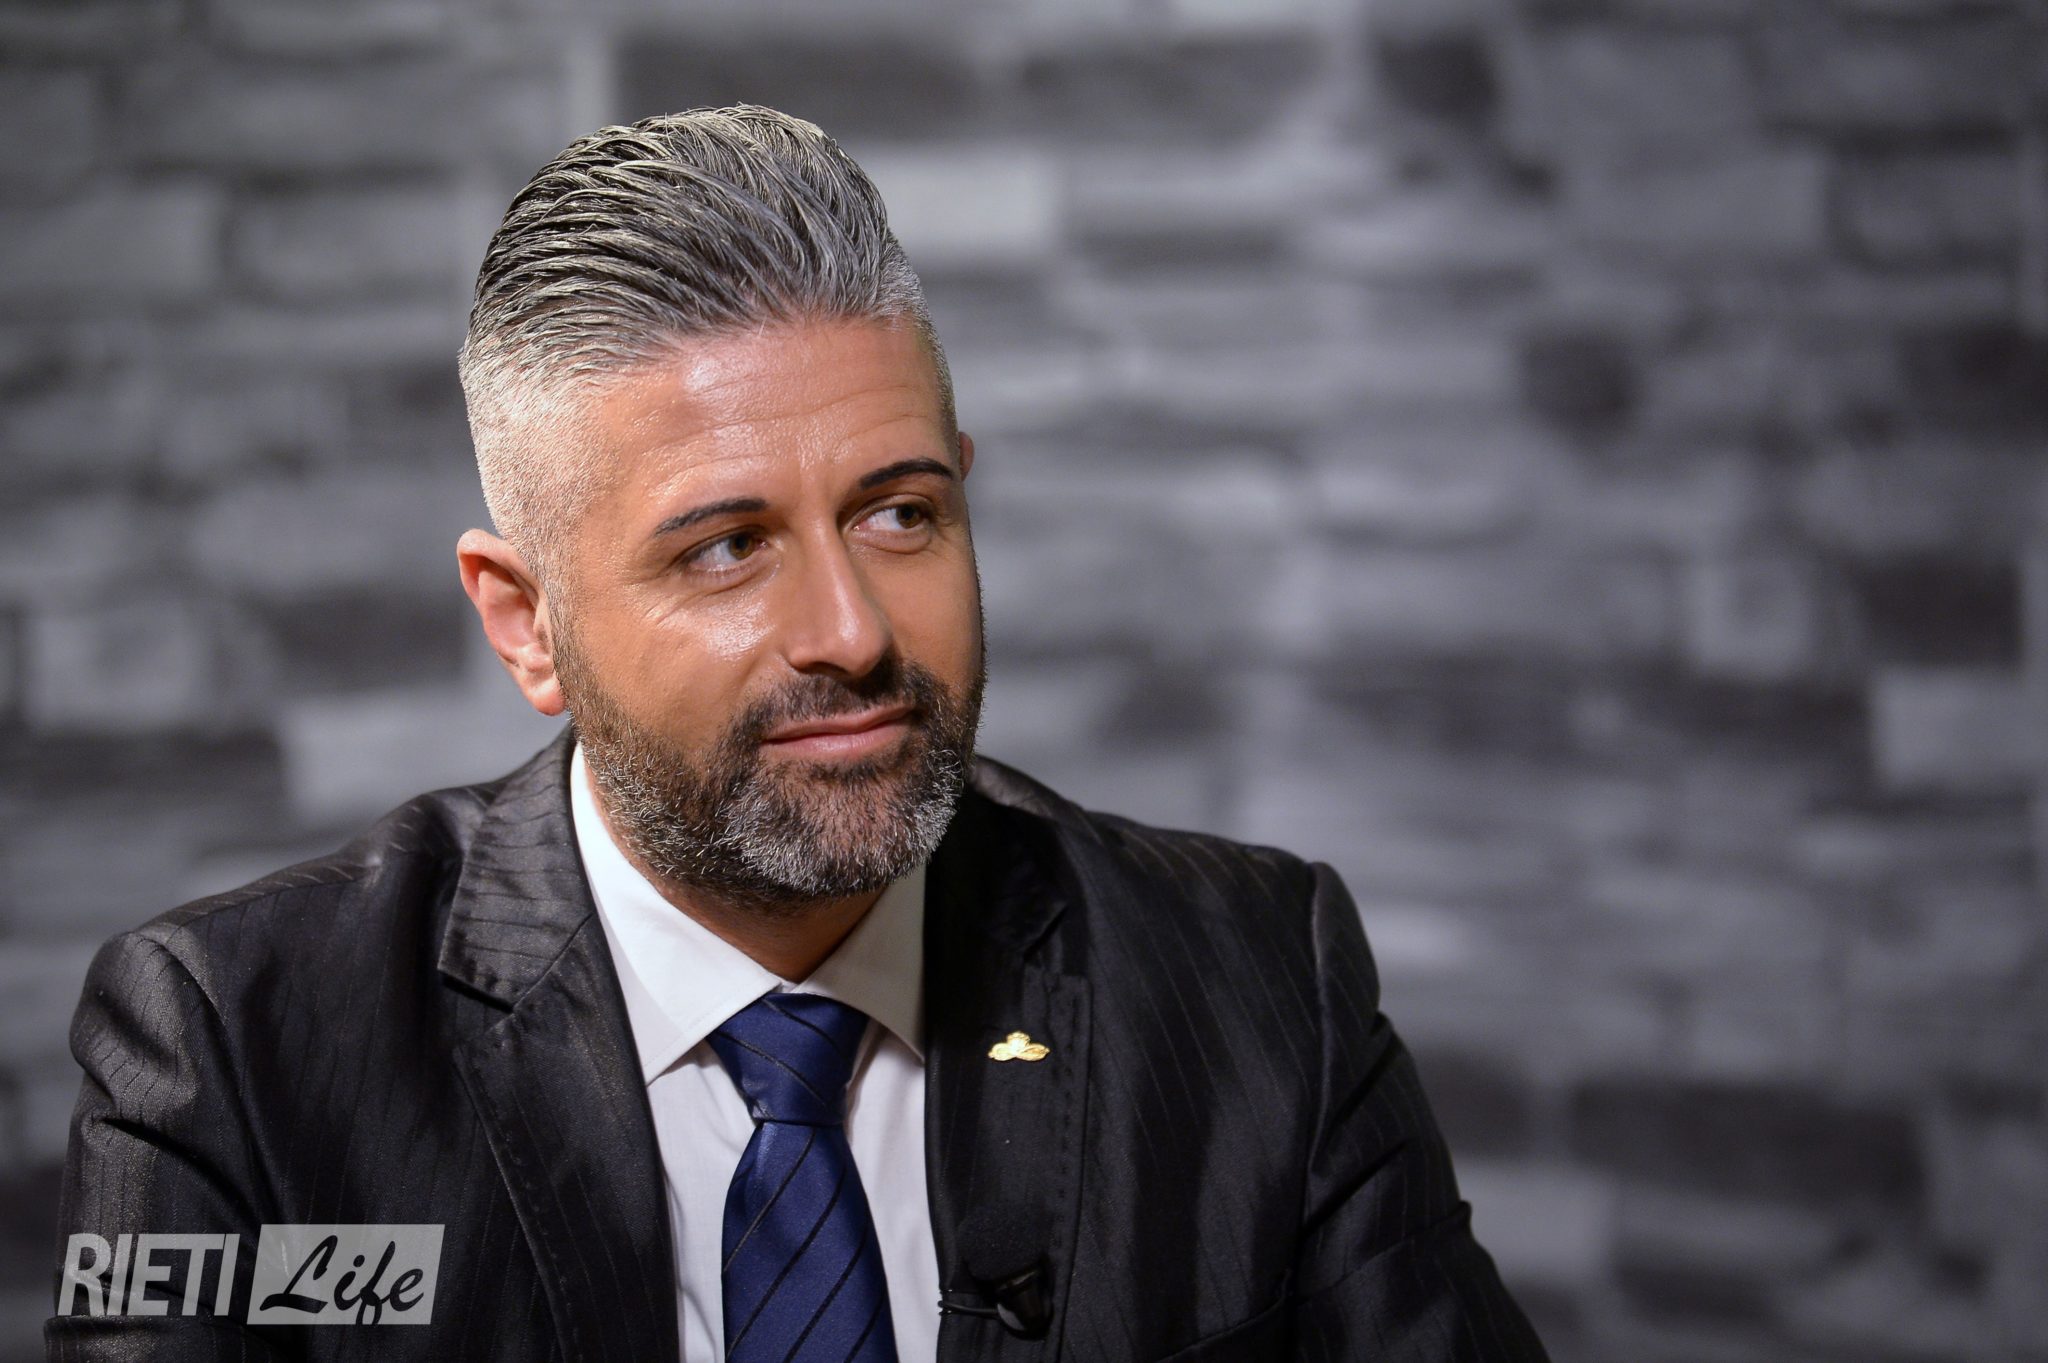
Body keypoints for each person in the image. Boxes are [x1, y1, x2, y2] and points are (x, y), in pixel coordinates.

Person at [48, 106, 1548, 1362]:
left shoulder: (1259, 981)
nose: (852, 630)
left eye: (901, 515)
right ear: (525, 623)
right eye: (726, 548)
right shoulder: (238, 1053)